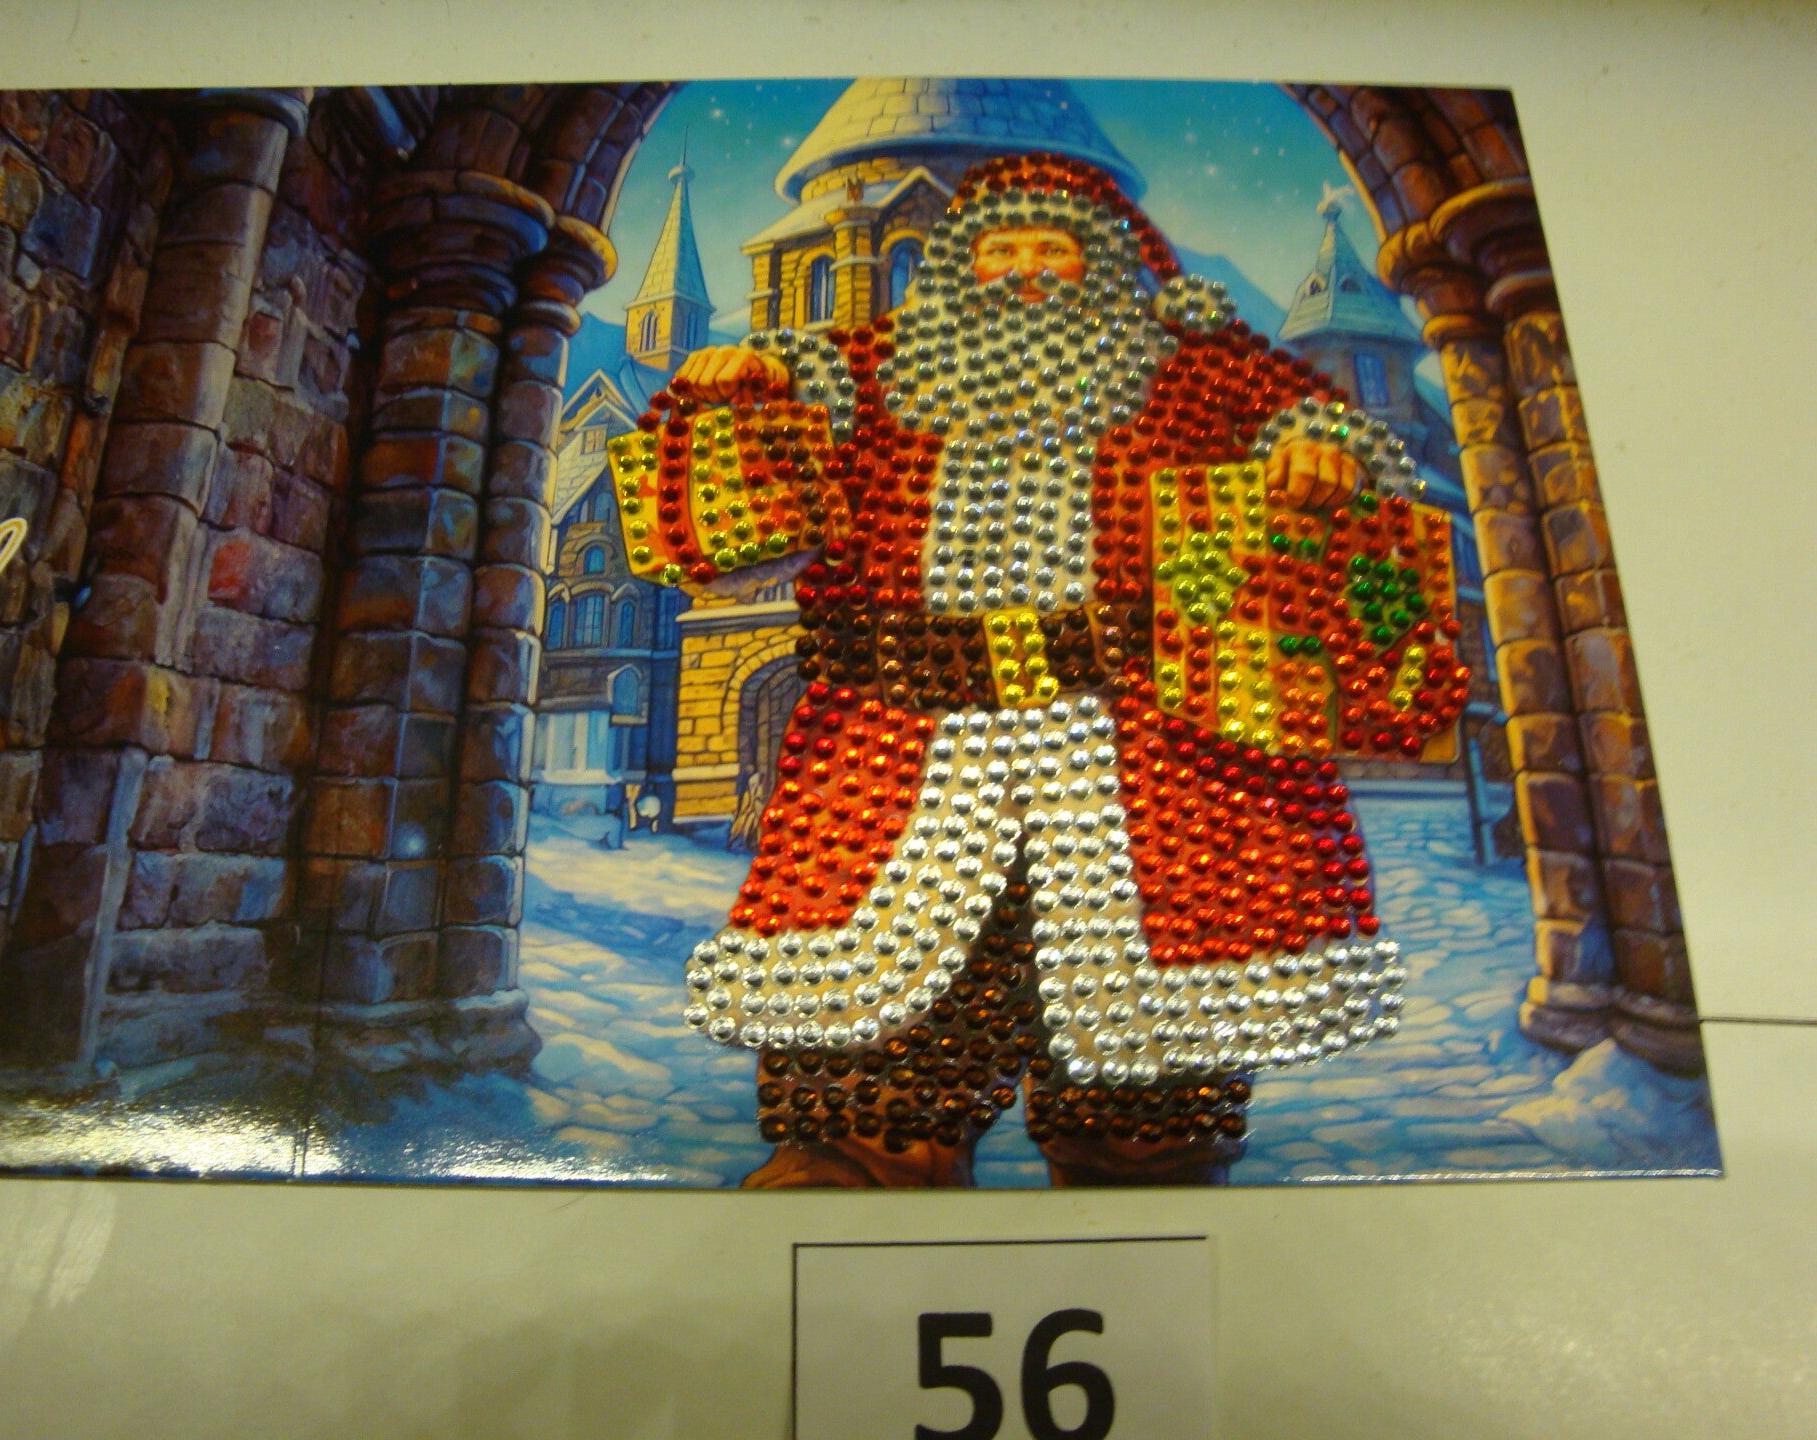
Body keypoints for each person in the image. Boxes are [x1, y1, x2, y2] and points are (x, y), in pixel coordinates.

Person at [611, 153, 1469, 1187]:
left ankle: (1145, 1191)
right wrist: (740, 386)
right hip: (898, 759)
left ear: (1101, 266)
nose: (1023, 270)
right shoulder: (870, 375)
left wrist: (1320, 454)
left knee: (1155, 1077)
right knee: (864, 1057)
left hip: (1147, 767)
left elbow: (1319, 425)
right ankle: (855, 1181)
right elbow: (746, 476)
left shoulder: (1194, 369)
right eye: (1001, 250)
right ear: (957, 270)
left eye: (1050, 249)